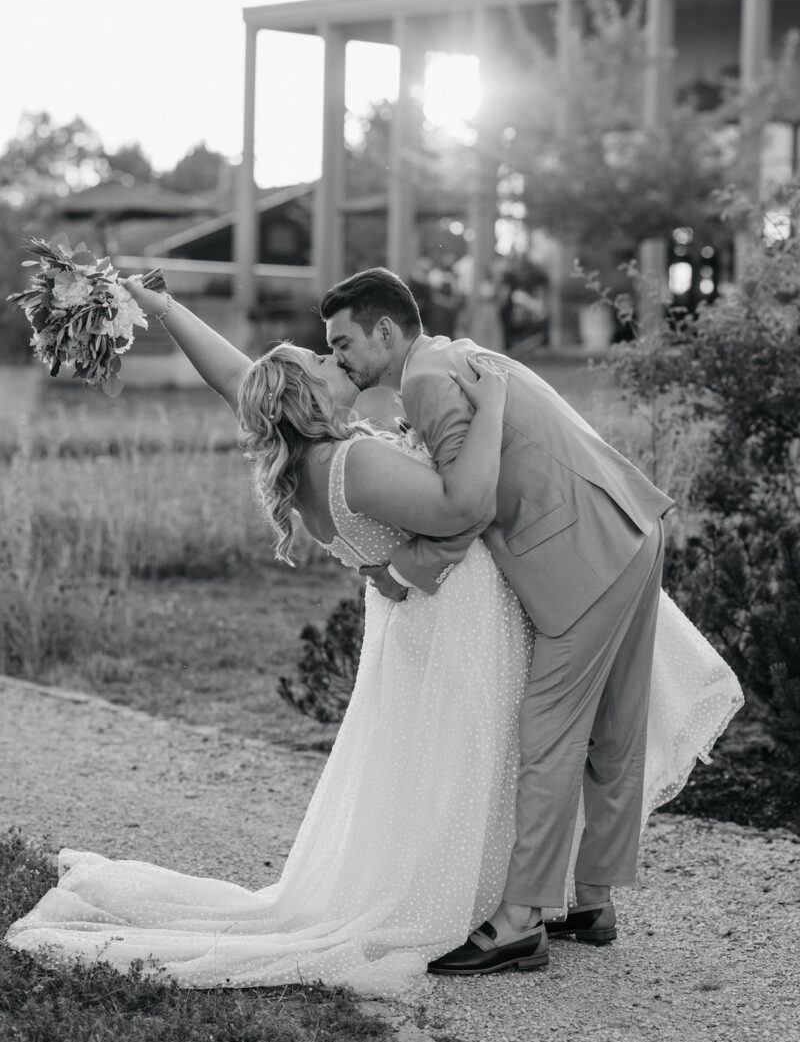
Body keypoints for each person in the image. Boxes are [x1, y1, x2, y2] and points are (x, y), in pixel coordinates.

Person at [5, 278, 742, 995]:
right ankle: (553, 905)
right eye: (321, 356)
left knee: (537, 745)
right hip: (481, 606)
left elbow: (240, 378)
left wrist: (162, 306)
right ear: (306, 398)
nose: (333, 357)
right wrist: (484, 422)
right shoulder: (350, 457)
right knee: (551, 740)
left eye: (336, 345)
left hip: (472, 602)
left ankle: (560, 901)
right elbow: (464, 506)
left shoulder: (311, 444)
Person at [319, 267, 683, 975]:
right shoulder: (458, 356)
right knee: (614, 726)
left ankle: (518, 922)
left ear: (385, 331)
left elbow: (468, 502)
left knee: (547, 733)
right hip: (631, 524)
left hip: (584, 551)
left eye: (343, 344)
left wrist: (402, 572)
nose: (339, 359)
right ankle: (592, 899)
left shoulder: (428, 382)